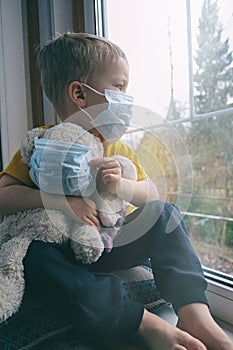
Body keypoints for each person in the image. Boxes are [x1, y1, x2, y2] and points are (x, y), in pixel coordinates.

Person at [0, 32, 232, 350]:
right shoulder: (41, 144)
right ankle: (138, 321)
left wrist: (122, 185)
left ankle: (195, 313)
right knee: (33, 258)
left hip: (107, 243)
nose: (127, 97)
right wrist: (61, 202)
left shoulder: (116, 147)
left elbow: (151, 193)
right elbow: (4, 195)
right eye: (120, 87)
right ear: (79, 94)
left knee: (166, 215)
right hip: (61, 253)